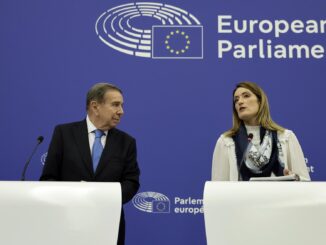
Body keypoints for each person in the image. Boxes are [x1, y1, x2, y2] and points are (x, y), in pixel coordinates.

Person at [40, 82, 140, 245]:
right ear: (95, 106)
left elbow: (131, 183)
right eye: (115, 105)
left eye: (121, 105)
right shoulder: (64, 134)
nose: (121, 111)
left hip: (108, 224)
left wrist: (102, 196)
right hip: (67, 223)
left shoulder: (126, 142)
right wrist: (75, 197)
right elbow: (48, 179)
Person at [211, 81, 310, 181]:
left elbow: (306, 184)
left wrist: (295, 179)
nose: (240, 102)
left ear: (260, 101)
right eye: (236, 100)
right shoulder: (226, 142)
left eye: (246, 96)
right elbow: (218, 188)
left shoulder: (285, 137)